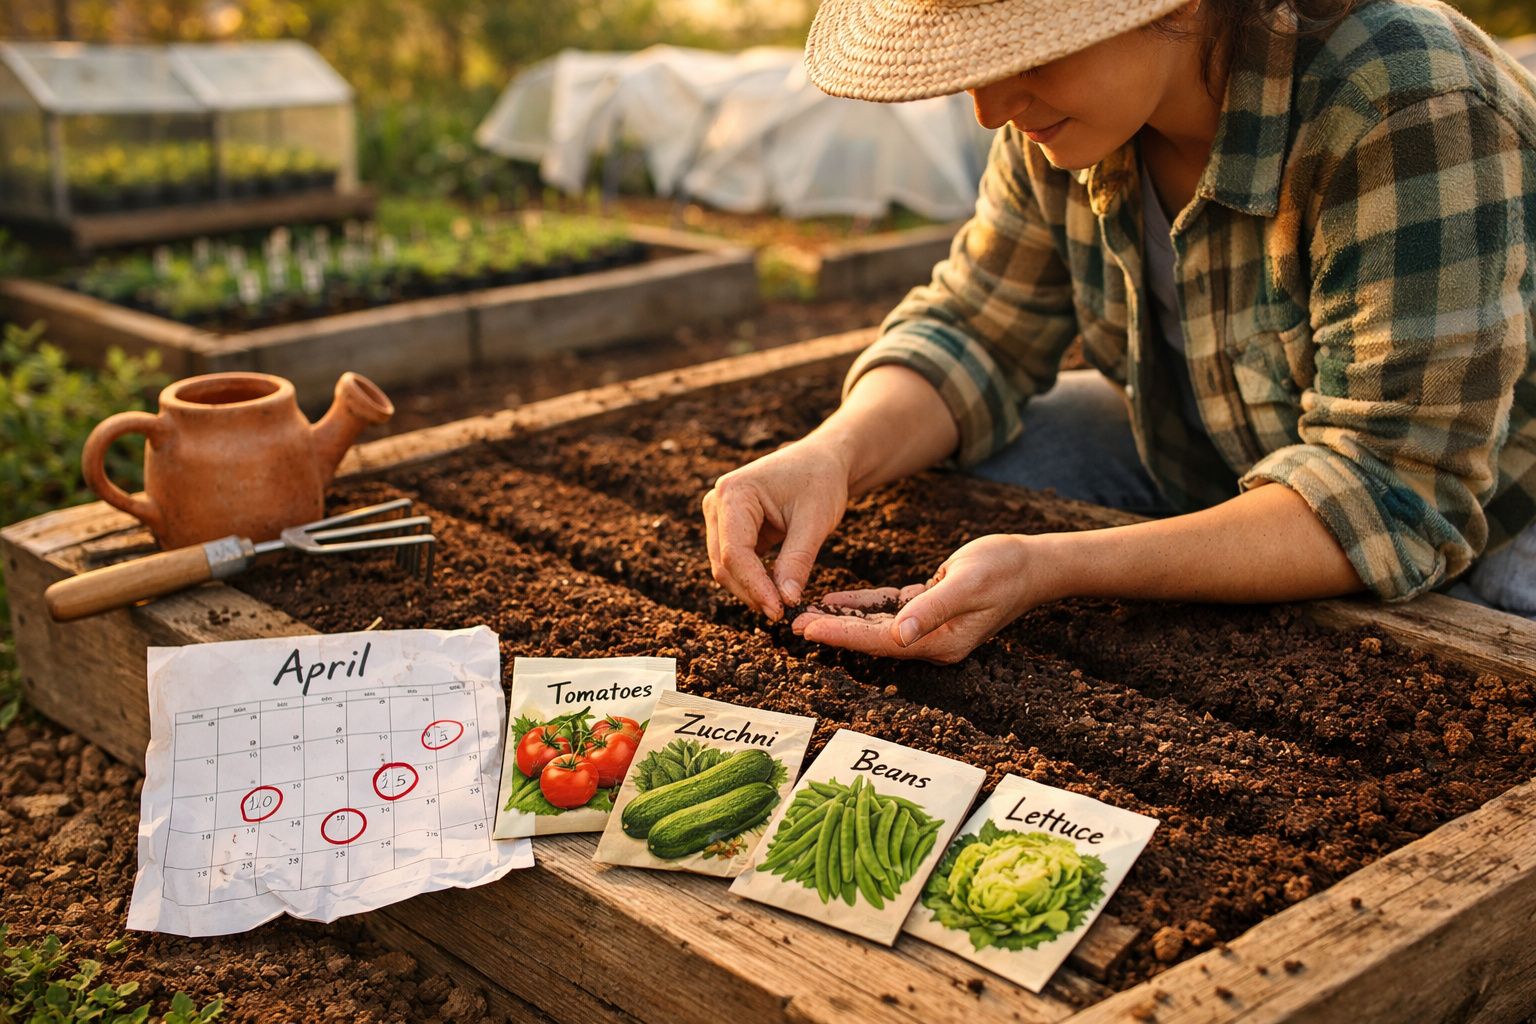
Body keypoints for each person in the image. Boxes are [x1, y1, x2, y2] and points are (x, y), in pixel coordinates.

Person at [701, 0, 1536, 661]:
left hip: (1497, 503)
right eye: (972, 61)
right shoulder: (1066, 124)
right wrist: (831, 455)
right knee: (964, 473)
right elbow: (976, 327)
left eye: (1029, 50)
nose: (991, 107)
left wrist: (1056, 566)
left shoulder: (1403, 101)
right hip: (1217, 443)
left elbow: (1392, 492)